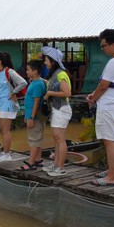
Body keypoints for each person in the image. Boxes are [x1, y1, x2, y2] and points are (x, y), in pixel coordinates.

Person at [87, 29, 114, 186]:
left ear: (113, 45)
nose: (102, 48)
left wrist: (94, 99)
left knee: (110, 141)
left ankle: (111, 178)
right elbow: (110, 84)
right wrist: (94, 94)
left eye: (103, 45)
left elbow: (104, 85)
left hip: (110, 107)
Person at [40, 46, 72, 177]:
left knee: (59, 139)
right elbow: (53, 84)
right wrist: (41, 80)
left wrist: (49, 93)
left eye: (46, 59)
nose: (44, 62)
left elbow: (67, 92)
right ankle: (56, 164)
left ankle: (60, 167)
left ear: (52, 61)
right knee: (57, 138)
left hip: (61, 109)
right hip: (56, 109)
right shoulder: (55, 74)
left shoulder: (61, 73)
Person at [17, 60, 47, 171]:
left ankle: (31, 163)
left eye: (28, 70)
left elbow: (36, 102)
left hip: (34, 116)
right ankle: (37, 159)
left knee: (34, 139)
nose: (26, 72)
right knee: (36, 138)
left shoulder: (37, 84)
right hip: (32, 115)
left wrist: (31, 117)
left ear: (35, 71)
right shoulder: (37, 82)